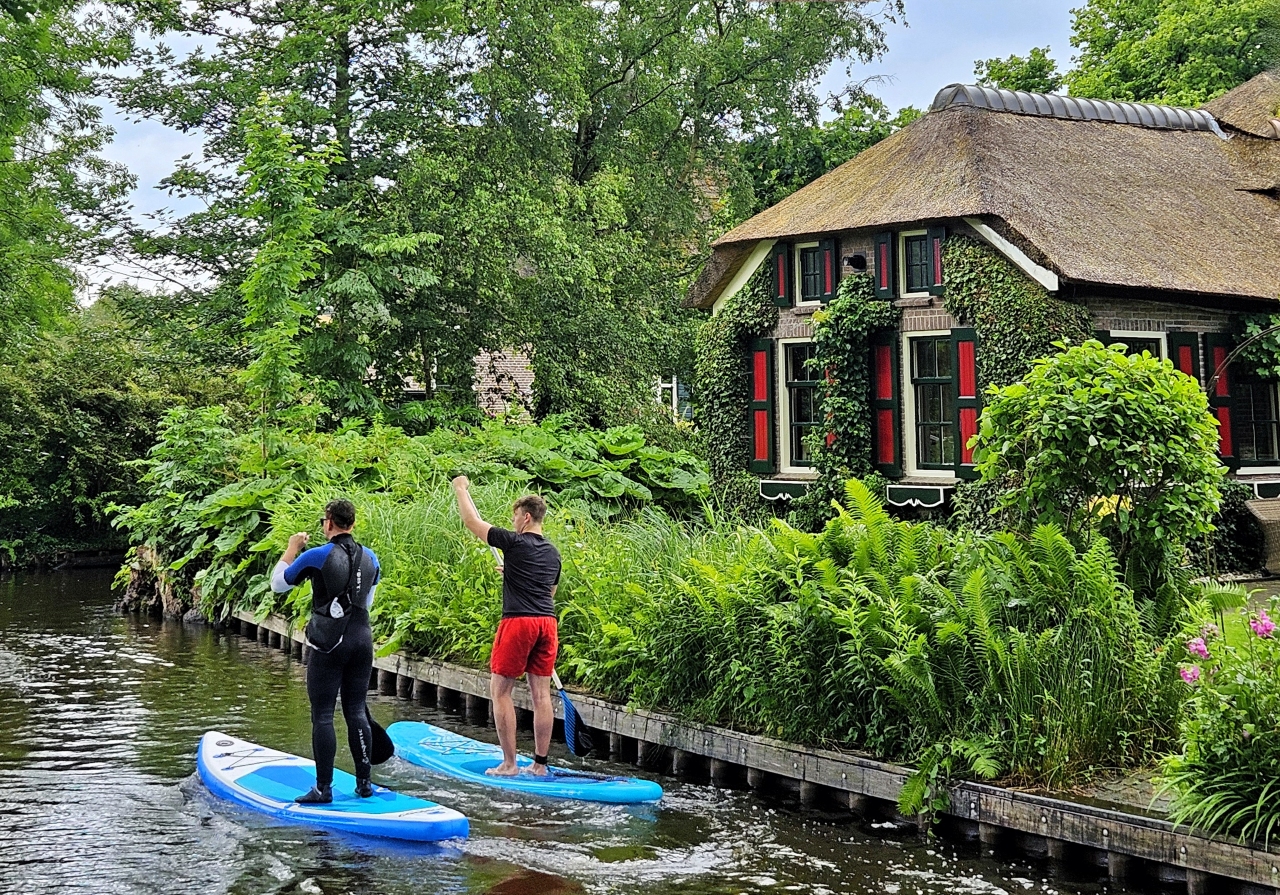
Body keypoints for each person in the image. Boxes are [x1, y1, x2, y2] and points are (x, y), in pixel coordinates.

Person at [270, 498, 381, 803]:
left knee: (322, 715)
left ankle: (323, 788)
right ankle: (364, 783)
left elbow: (278, 585)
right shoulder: (371, 557)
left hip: (329, 642)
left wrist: (292, 548)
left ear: (329, 522)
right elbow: (367, 602)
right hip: (362, 639)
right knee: (356, 709)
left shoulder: (317, 555)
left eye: (323, 520)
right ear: (353, 523)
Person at [451, 476, 561, 777]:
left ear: (526, 516)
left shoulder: (513, 542)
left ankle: (509, 764)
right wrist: (512, 575)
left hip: (518, 622)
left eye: (515, 516)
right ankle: (540, 764)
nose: (512, 522)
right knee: (541, 695)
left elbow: (472, 522)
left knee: (500, 691)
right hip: (547, 623)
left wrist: (460, 489)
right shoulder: (553, 553)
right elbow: (547, 593)